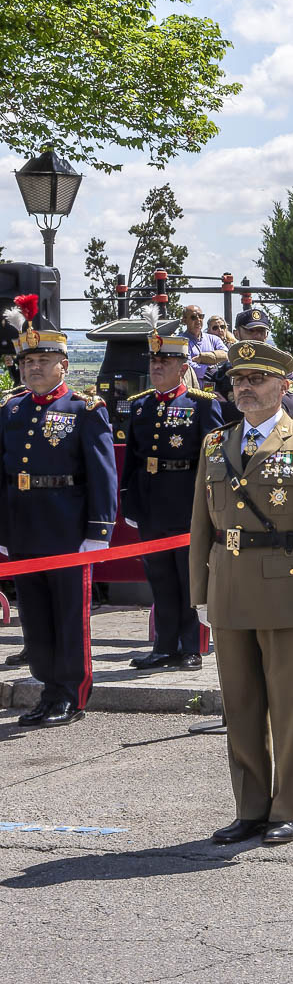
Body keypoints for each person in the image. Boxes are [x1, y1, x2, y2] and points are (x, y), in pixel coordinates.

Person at [189, 339, 293, 845]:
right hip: (229, 585)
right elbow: (200, 527)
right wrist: (201, 590)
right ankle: (250, 807)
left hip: (285, 588)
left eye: (256, 379)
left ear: (283, 385)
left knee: (288, 704)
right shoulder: (216, 444)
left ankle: (287, 808)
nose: (245, 388)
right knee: (240, 703)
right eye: (238, 380)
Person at [0, 297, 116, 725]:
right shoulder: (11, 409)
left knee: (69, 615)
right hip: (25, 529)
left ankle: (70, 692)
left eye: (43, 360)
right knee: (35, 616)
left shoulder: (84, 410)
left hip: (68, 530)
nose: (33, 368)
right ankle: (47, 688)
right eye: (28, 361)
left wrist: (98, 531)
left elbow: (101, 474)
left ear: (63, 365)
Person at [119, 321, 225, 672]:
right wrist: (130, 503)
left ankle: (191, 646)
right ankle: (164, 646)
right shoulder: (140, 406)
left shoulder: (201, 404)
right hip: (151, 503)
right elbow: (132, 460)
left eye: (164, 362)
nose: (157, 367)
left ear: (183, 368)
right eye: (153, 361)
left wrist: (209, 506)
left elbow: (212, 459)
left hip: (186, 503)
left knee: (189, 576)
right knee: (160, 579)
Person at [208, 307, 273, 402]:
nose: (257, 336)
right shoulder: (224, 372)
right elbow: (211, 402)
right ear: (236, 334)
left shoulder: (278, 368)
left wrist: (230, 408)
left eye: (261, 331)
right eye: (250, 331)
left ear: (266, 335)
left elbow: (286, 405)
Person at [182, 304, 228, 386]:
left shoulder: (213, 339)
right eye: (193, 317)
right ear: (184, 320)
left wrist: (203, 357)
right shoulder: (181, 341)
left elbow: (226, 354)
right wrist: (210, 371)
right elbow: (187, 365)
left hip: (215, 392)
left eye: (201, 316)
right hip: (191, 392)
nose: (198, 320)